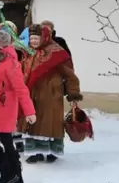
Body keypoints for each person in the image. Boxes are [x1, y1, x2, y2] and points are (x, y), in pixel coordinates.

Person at [0, 30, 36, 183]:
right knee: (7, 141)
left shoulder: (9, 63)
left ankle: (8, 173)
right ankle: (15, 178)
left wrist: (29, 111)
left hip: (5, 106)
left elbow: (21, 88)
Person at [19, 23, 83, 163]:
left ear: (44, 38)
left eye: (37, 38)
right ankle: (34, 153)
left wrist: (73, 94)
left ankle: (51, 152)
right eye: (32, 38)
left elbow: (70, 76)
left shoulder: (56, 54)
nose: (34, 41)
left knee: (49, 124)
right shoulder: (28, 52)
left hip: (51, 95)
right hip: (31, 95)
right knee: (32, 123)